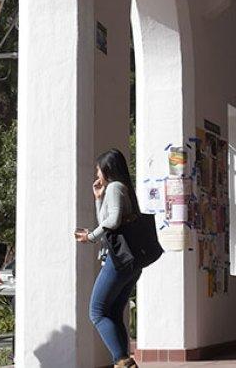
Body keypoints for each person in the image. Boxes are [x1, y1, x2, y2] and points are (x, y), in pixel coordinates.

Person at [75, 148, 141, 368]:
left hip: (117, 260)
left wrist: (91, 237)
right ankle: (123, 361)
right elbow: (108, 217)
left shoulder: (114, 187)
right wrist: (97, 199)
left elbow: (111, 222)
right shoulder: (123, 189)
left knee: (97, 312)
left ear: (107, 169)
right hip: (131, 261)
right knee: (114, 311)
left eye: (98, 169)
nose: (97, 173)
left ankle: (123, 361)